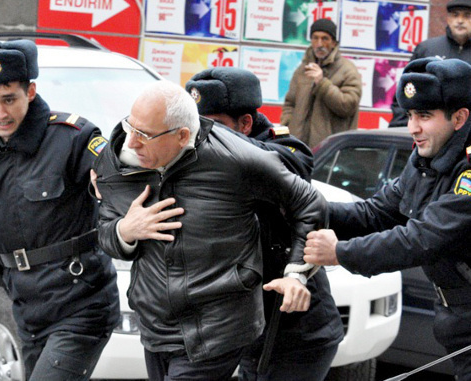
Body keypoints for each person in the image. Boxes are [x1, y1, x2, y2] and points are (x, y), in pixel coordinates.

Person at [93, 80, 327, 381]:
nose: (132, 142)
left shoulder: (236, 158)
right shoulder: (119, 159)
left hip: (219, 327)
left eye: (145, 135)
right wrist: (125, 230)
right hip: (155, 326)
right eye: (130, 127)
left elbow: (309, 202)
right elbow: (106, 232)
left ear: (182, 136)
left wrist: (297, 272)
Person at [303, 57, 471, 380]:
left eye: (424, 116)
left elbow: (421, 239)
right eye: (409, 115)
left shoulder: (465, 170)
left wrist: (339, 253)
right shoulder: (427, 157)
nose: (413, 128)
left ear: (460, 117)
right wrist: (313, 208)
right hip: (455, 319)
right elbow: (377, 212)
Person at [0, 40, 120, 380]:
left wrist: (111, 184)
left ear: (31, 91)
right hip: (25, 308)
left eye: (9, 99)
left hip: (81, 304)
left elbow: (118, 178)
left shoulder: (72, 137)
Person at [185, 67, 343, 381]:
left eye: (215, 127)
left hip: (297, 333)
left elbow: (286, 167)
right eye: (198, 127)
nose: (205, 138)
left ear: (245, 124)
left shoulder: (286, 150)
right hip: (248, 329)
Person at [280, 18, 362, 148]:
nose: (319, 44)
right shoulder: (302, 70)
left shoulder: (347, 70)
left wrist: (322, 83)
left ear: (334, 43)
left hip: (330, 150)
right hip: (298, 147)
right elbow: (290, 103)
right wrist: (288, 126)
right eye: (315, 38)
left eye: (325, 39)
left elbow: (348, 105)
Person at [389, 0, 471, 127]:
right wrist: (402, 126)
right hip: (427, 131)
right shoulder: (427, 49)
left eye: (466, 15)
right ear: (448, 19)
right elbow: (407, 89)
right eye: (455, 15)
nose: (460, 20)